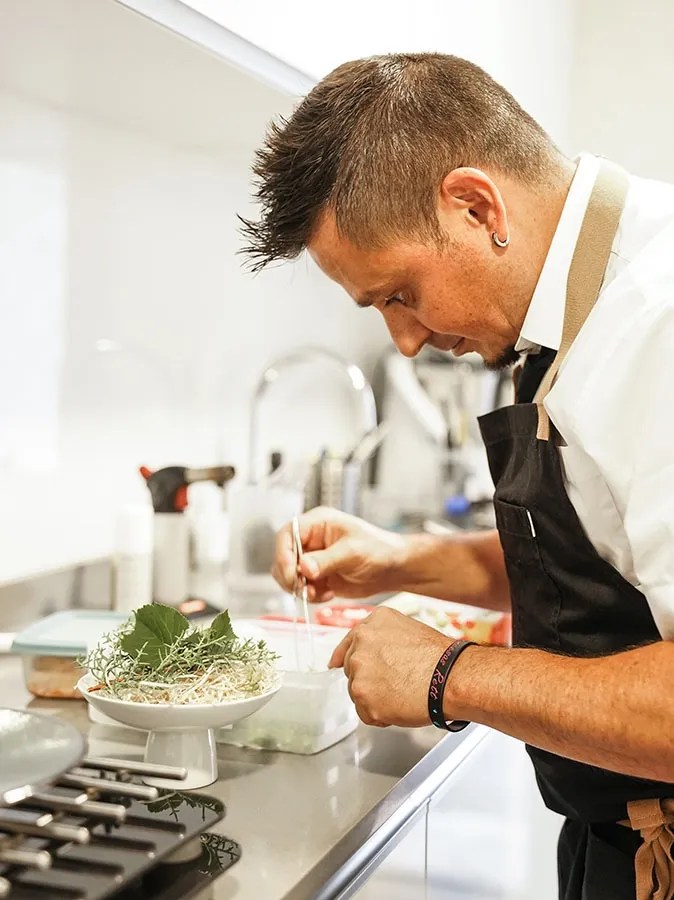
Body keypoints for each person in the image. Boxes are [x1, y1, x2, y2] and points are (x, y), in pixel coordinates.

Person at [240, 52, 674, 900]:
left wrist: (448, 676)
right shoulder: (564, 303)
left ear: (476, 207)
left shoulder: (657, 321)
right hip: (616, 836)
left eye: (399, 293)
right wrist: (401, 560)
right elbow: (608, 565)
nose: (404, 341)